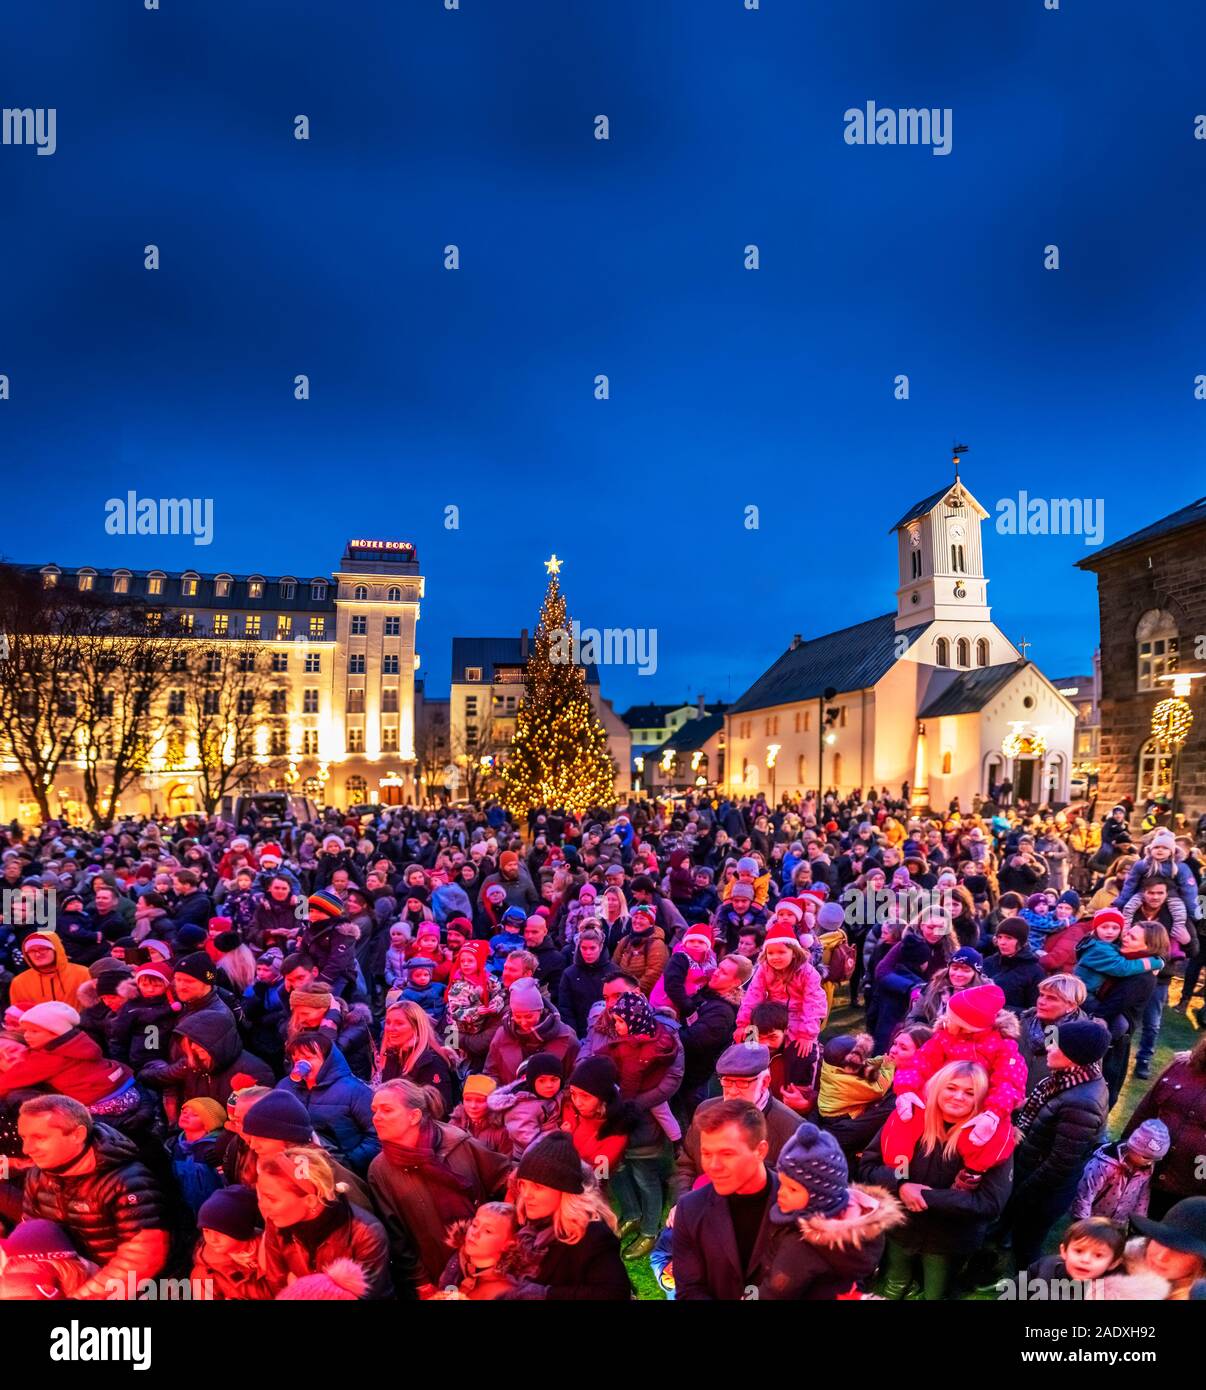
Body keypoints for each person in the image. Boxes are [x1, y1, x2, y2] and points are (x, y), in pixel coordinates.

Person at [861, 1061, 1014, 1300]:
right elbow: (869, 1166)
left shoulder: (991, 1138)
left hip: (949, 1239)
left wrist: (925, 1197)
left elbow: (990, 1202)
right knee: (895, 1282)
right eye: (951, 1088)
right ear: (937, 1088)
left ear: (983, 1098)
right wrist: (901, 1185)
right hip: (899, 1226)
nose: (958, 1097)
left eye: (970, 1092)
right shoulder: (908, 1119)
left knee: (936, 1292)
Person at [17, 1095, 170, 1301]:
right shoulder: (38, 1175)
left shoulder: (127, 1180)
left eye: (40, 1138)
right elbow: (32, 1236)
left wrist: (83, 1296)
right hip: (74, 1272)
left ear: (77, 1135)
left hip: (131, 1288)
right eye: (24, 1138)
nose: (27, 1149)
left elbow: (142, 1259)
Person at [367, 1078, 512, 1295]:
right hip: (435, 1271)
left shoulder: (457, 1143)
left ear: (414, 1116)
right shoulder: (380, 1170)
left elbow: (505, 1177)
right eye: (374, 1110)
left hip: (486, 1263)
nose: (376, 1118)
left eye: (387, 1110)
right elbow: (396, 1235)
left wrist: (502, 1228)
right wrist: (420, 1281)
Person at [1005, 1018, 1111, 1270]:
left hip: (1043, 1189)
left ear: (1075, 1055)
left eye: (1057, 1045)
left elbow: (1059, 1164)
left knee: (1027, 1243)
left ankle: (1032, 1286)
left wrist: (1023, 1191)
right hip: (1033, 1172)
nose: (1049, 1048)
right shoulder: (1067, 1080)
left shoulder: (1081, 1103)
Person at [758, 1121, 905, 1300]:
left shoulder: (801, 1245)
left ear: (818, 1195)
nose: (781, 1192)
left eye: (793, 1189)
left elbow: (774, 1292)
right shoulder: (854, 1222)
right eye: (783, 1184)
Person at [502, 1131, 631, 1300]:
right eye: (523, 1184)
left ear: (565, 1191)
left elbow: (614, 1293)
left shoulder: (592, 1235)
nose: (526, 1195)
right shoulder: (529, 1224)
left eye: (538, 1187)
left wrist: (544, 1294)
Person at [672, 1099, 778, 1299]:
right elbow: (689, 1289)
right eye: (706, 1153)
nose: (712, 1166)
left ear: (760, 1151)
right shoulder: (689, 1209)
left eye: (727, 1154)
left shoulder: (800, 1204)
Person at [257, 1146, 392, 1299]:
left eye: (272, 1199)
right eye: (261, 1196)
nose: (262, 1206)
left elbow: (370, 1296)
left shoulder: (365, 1233)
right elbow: (278, 1285)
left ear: (310, 1200)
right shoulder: (277, 1225)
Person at [673, 1043, 799, 1200]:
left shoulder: (791, 1128)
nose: (732, 1091)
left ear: (765, 1082)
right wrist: (684, 1202)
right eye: (727, 1081)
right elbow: (686, 1165)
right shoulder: (704, 1110)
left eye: (742, 1082)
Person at [1121, 1035, 1206, 1217]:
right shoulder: (1182, 1067)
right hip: (1147, 1174)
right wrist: (1124, 1150)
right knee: (1135, 1236)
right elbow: (1146, 1110)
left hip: (1193, 1192)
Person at [276, 1031, 379, 1174]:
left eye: (308, 1057)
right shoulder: (285, 1087)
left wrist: (346, 1162)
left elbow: (376, 1137)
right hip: (298, 1168)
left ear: (328, 1060)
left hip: (343, 1171)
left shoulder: (354, 1090)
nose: (300, 1063)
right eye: (296, 1057)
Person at [371, 998, 460, 1117]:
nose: (391, 1028)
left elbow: (440, 1113)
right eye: (388, 1022)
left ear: (416, 1027)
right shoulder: (393, 1055)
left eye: (399, 1023)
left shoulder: (431, 1063)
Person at [1072, 1118, 1170, 1223]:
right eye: (1146, 1157)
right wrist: (1081, 1222)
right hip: (1092, 1221)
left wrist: (1139, 1222)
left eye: (1155, 1159)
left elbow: (1143, 1197)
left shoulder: (1146, 1170)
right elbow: (1084, 1194)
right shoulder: (1104, 1164)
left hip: (1118, 1224)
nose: (1150, 1162)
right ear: (1134, 1147)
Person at [191, 1184, 275, 1301]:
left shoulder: (272, 1249)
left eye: (220, 1232)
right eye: (206, 1230)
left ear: (241, 1230)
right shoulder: (203, 1275)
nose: (212, 1239)